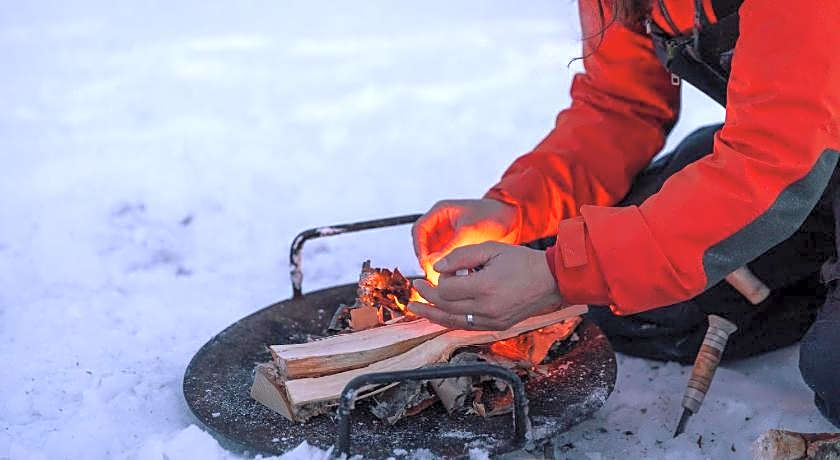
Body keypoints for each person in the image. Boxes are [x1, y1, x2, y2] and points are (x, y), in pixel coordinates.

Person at [406, 0, 840, 427]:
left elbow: (769, 160)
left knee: (832, 369)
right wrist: (514, 208)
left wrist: (562, 274)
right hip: (800, 144)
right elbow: (620, 106)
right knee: (629, 302)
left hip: (788, 155)